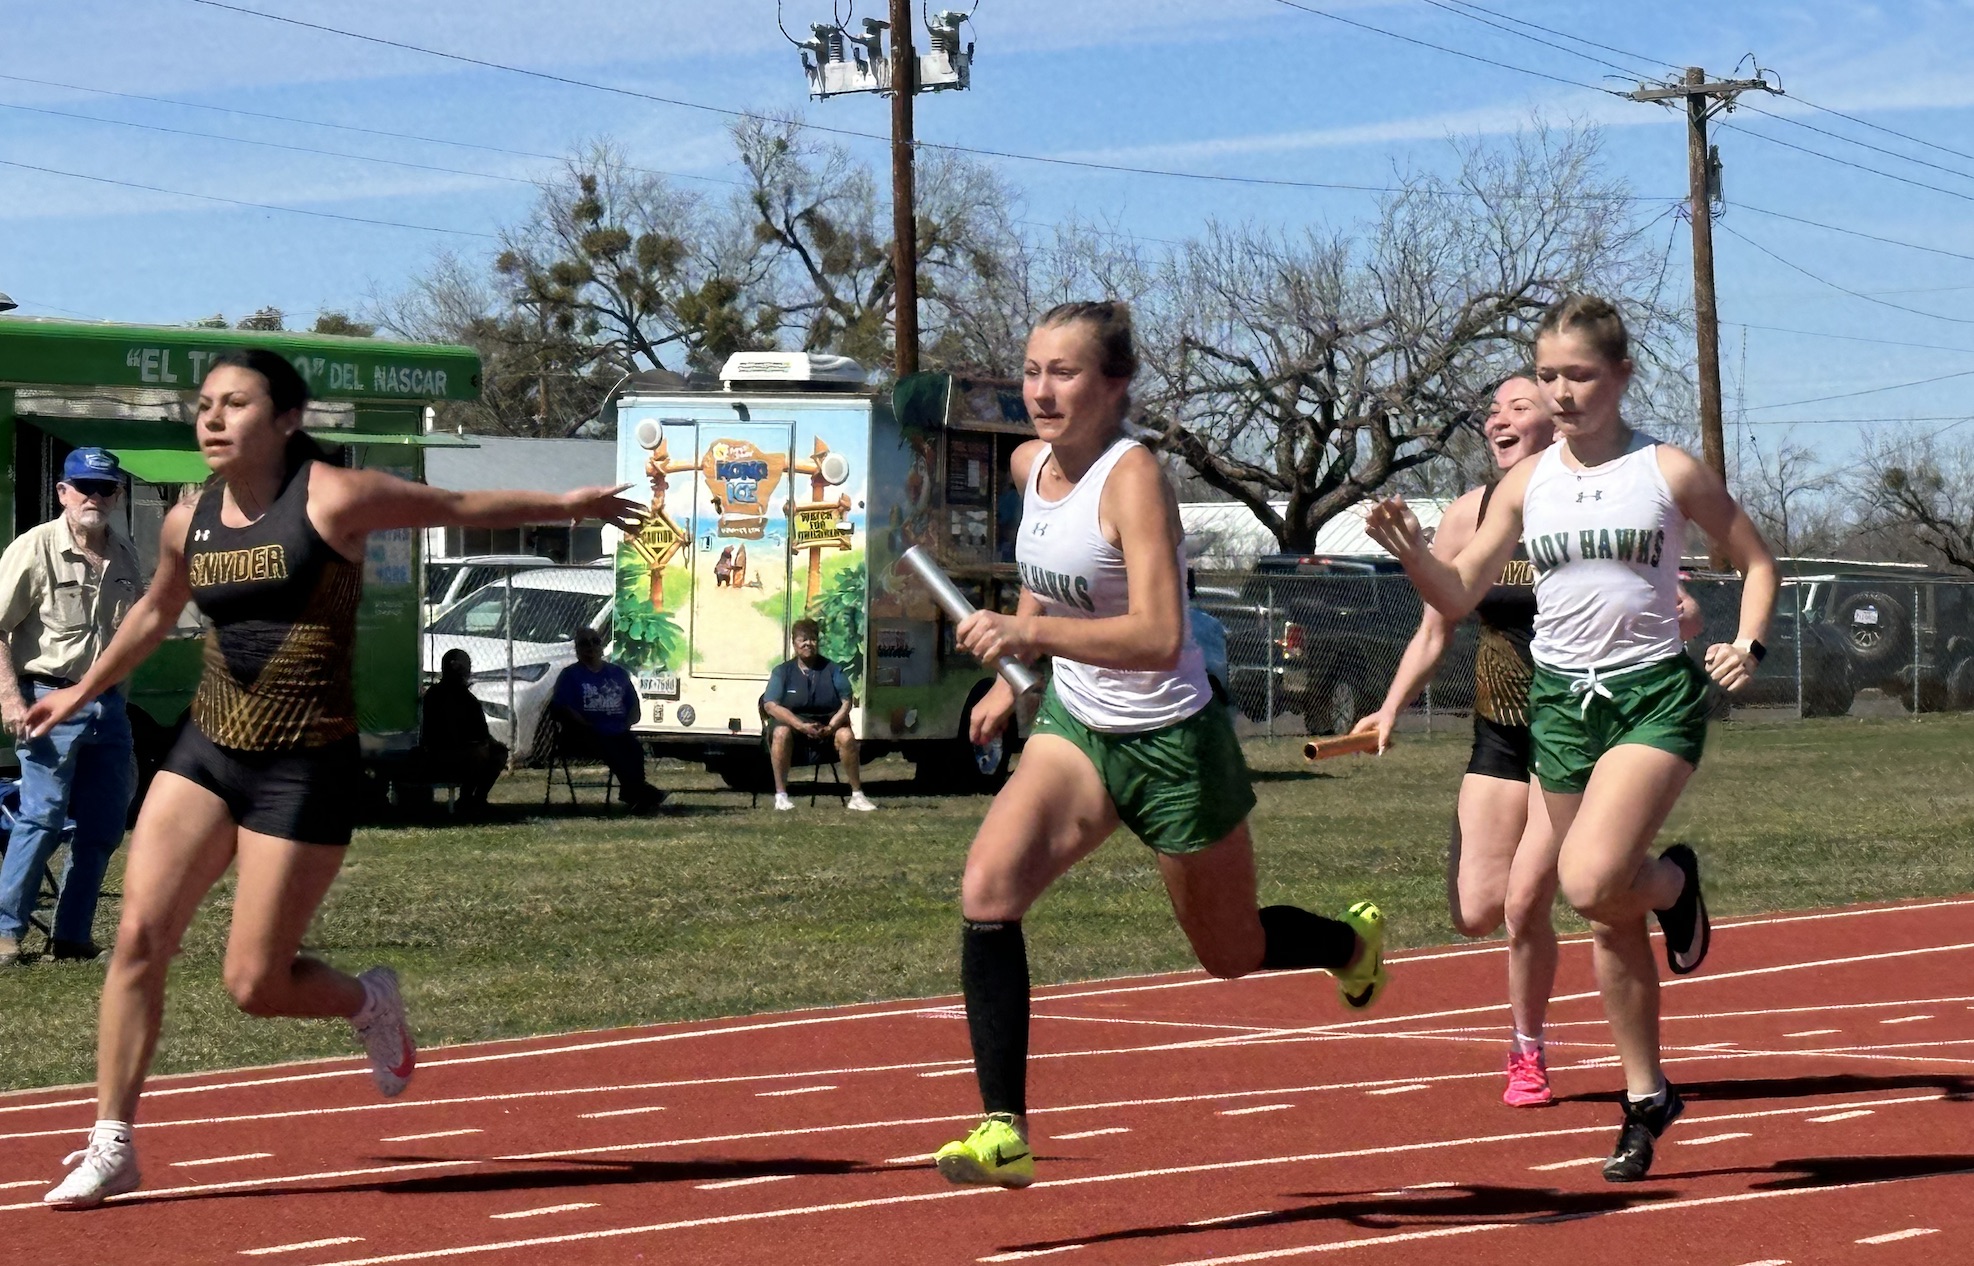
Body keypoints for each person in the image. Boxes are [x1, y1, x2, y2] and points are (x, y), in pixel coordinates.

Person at [32, 348, 644, 1209]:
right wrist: (80, 691)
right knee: (138, 935)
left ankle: (367, 1000)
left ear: (285, 419)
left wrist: (566, 503)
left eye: (233, 404)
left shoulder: (334, 497)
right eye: (204, 404)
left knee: (255, 985)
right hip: (207, 749)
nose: (210, 419)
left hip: (303, 766)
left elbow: (456, 504)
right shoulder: (187, 517)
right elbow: (155, 611)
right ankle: (113, 1141)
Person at [931, 300, 1387, 1190]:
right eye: (1031, 370)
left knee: (1231, 954)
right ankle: (1003, 1130)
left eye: (1064, 373)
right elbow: (1043, 588)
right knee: (987, 889)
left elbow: (1154, 634)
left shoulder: (1133, 476)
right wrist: (1005, 677)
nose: (1042, 390)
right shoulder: (1031, 468)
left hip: (1173, 740)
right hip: (1078, 729)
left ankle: (1346, 944)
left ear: (1114, 385)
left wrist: (1030, 643)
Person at [1365, 294, 1777, 1182]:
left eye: (1579, 375)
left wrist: (1744, 644)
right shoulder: (1525, 483)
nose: (1561, 393)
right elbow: (1456, 595)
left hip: (1652, 701)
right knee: (1601, 911)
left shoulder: (1667, 471)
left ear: (1621, 376)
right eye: (1547, 376)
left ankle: (1672, 881)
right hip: (1559, 707)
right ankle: (1645, 1096)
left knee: (1590, 879)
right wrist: (1410, 552)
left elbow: (1757, 560)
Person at [0, 448, 144, 967]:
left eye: (105, 488)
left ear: (118, 496)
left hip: (108, 706)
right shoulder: (34, 547)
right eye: (83, 486)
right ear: (62, 491)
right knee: (41, 816)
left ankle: (72, 937)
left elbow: (133, 638)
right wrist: (12, 699)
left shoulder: (127, 555)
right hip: (46, 698)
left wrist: (118, 700)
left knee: (105, 824)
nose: (93, 497)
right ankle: (6, 933)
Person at [761, 618, 876, 813]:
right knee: (780, 733)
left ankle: (857, 796)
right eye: (802, 640)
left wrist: (832, 726)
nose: (808, 644)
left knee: (846, 736)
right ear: (794, 644)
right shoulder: (782, 672)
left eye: (813, 639)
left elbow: (847, 701)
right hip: (794, 731)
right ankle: (781, 796)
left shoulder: (833, 669)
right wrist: (799, 725)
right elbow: (770, 705)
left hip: (827, 729)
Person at [548, 628, 666, 812]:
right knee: (612, 747)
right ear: (577, 649)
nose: (591, 647)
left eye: (595, 641)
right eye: (584, 643)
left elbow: (633, 704)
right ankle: (641, 794)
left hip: (617, 730)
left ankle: (635, 794)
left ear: (602, 646)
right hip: (582, 734)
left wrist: (627, 723)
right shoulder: (569, 675)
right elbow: (562, 708)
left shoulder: (617, 673)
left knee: (633, 748)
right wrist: (587, 725)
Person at [412, 648, 507, 813]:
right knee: (484, 753)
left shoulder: (436, 694)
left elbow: (482, 734)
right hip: (440, 756)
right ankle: (469, 798)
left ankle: (474, 799)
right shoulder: (444, 697)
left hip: (446, 755)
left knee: (496, 750)